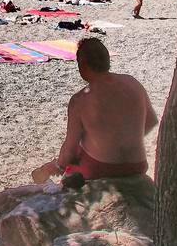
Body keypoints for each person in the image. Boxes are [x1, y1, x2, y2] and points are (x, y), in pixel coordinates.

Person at [31, 37, 158, 184]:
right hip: (137, 165)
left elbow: (69, 151)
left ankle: (46, 172)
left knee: (75, 156)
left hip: (101, 169)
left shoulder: (79, 100)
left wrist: (53, 167)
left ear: (83, 65)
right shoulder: (132, 83)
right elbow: (151, 120)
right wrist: (125, 140)